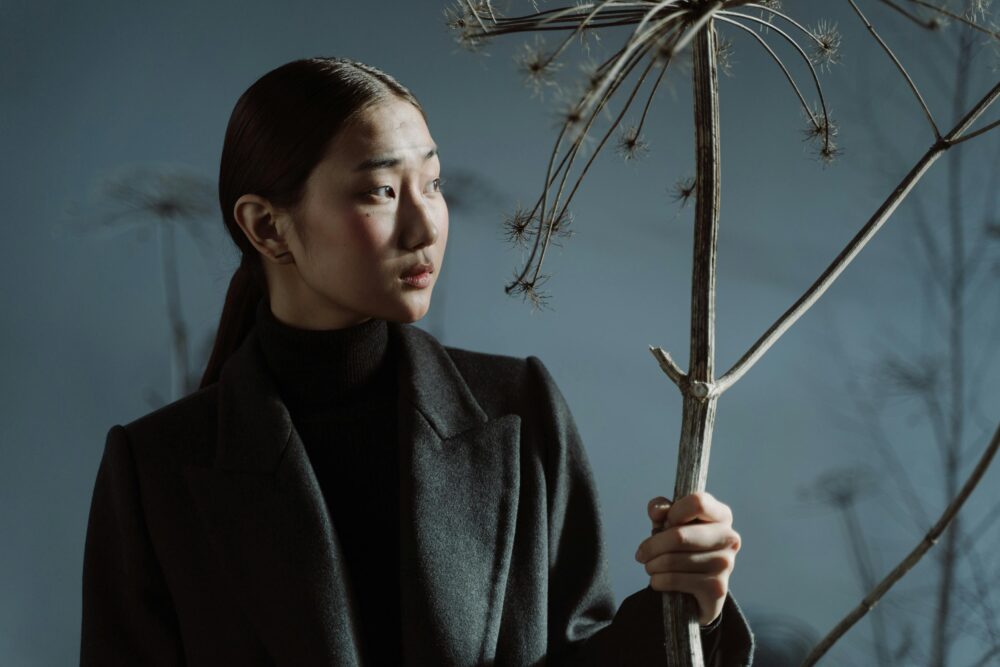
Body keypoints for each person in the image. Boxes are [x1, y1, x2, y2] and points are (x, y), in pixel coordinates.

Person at [80, 56, 755, 666]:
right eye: (380, 191)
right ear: (266, 226)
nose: (426, 225)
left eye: (430, 183)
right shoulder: (158, 471)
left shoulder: (518, 410)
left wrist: (689, 604)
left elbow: (578, 657)